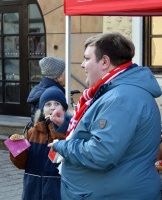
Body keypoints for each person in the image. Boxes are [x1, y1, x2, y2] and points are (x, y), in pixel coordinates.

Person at [48, 32, 162, 199]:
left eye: (87, 58)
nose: (82, 64)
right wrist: (68, 122)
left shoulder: (121, 98)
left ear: (105, 62)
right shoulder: (119, 92)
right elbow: (109, 132)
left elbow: (101, 153)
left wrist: (63, 146)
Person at [9, 86, 68, 200]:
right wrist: (16, 149)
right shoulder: (32, 132)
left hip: (56, 192)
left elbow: (62, 160)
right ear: (42, 109)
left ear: (63, 109)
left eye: (57, 104)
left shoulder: (67, 133)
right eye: (48, 104)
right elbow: (21, 164)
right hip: (32, 191)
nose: (52, 108)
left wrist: (54, 126)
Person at [27, 57, 67, 127]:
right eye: (65, 73)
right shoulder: (51, 94)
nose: (67, 76)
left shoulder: (41, 88)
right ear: (57, 76)